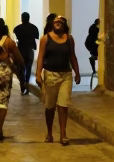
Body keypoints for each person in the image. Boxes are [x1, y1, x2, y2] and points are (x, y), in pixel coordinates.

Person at [35, 15, 81, 145]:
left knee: (63, 104)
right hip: (50, 75)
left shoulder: (69, 39)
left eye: (61, 21)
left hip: (65, 75)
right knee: (50, 106)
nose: (58, 23)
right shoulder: (45, 39)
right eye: (56, 21)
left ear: (65, 25)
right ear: (52, 24)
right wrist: (38, 74)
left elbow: (72, 55)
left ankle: (63, 134)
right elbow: (40, 57)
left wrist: (77, 72)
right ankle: (49, 133)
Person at [13, 11, 40, 94]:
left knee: (21, 69)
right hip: (30, 50)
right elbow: (37, 36)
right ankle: (27, 85)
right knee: (28, 68)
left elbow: (15, 37)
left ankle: (22, 86)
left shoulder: (17, 28)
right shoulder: (34, 28)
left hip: (20, 50)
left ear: (21, 19)